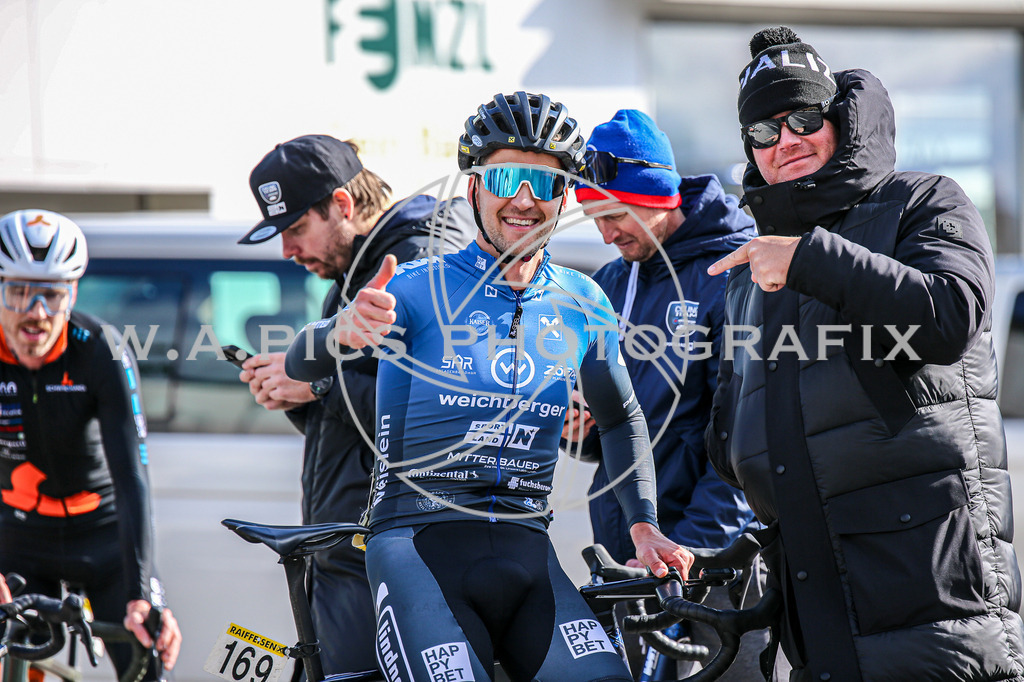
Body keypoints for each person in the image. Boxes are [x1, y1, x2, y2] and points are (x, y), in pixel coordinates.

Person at [285, 91, 693, 681]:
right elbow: (301, 363)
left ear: (563, 198)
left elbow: (620, 419)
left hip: (529, 549)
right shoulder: (418, 288)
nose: (524, 201)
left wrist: (644, 524)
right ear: (474, 187)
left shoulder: (582, 301)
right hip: (415, 546)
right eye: (506, 177)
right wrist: (338, 332)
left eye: (545, 184)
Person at [704, 26, 1024, 680]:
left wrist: (809, 259)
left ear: (838, 118)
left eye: (801, 118)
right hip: (815, 598)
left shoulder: (922, 201)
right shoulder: (750, 273)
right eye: (764, 132)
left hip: (932, 589)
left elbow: (949, 316)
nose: (785, 140)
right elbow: (735, 435)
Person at [237, 134, 473, 675]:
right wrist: (291, 391)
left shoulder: (417, 261)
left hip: (396, 555)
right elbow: (358, 431)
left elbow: (436, 414)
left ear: (342, 204)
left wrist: (318, 385)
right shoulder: (351, 274)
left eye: (296, 229)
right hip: (346, 554)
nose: (288, 250)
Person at [569, 109, 783, 679]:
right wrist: (583, 432)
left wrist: (689, 552)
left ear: (659, 193)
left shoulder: (734, 270)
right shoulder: (612, 283)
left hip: (713, 564)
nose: (606, 235)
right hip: (629, 559)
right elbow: (622, 424)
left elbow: (748, 439)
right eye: (594, 219)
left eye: (614, 214)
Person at [0, 209, 181, 678]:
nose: (34, 312)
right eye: (18, 291)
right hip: (17, 538)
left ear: (72, 293)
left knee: (149, 660)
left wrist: (142, 593)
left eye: (50, 294)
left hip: (102, 537)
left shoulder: (100, 348)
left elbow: (132, 475)